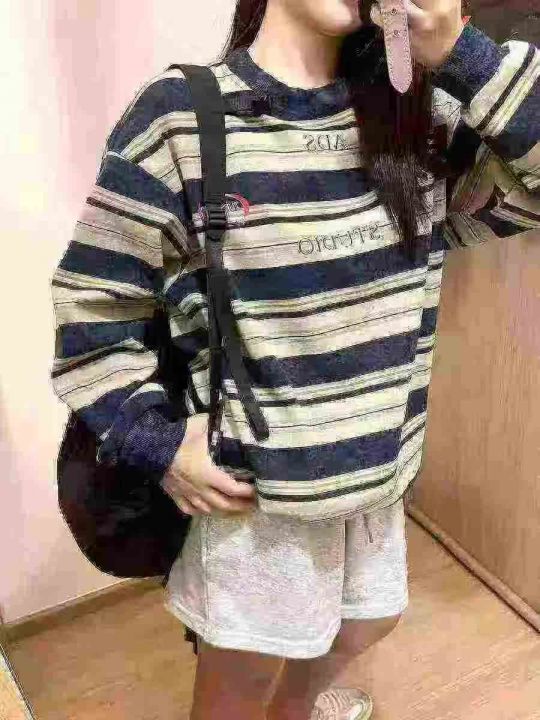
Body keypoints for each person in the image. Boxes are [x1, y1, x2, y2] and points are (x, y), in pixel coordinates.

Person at [49, 1, 539, 718]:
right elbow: (92, 305)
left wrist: (459, 50)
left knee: (368, 622)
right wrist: (161, 443)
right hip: (259, 506)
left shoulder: (421, 119)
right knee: (239, 684)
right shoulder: (182, 118)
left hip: (379, 479)